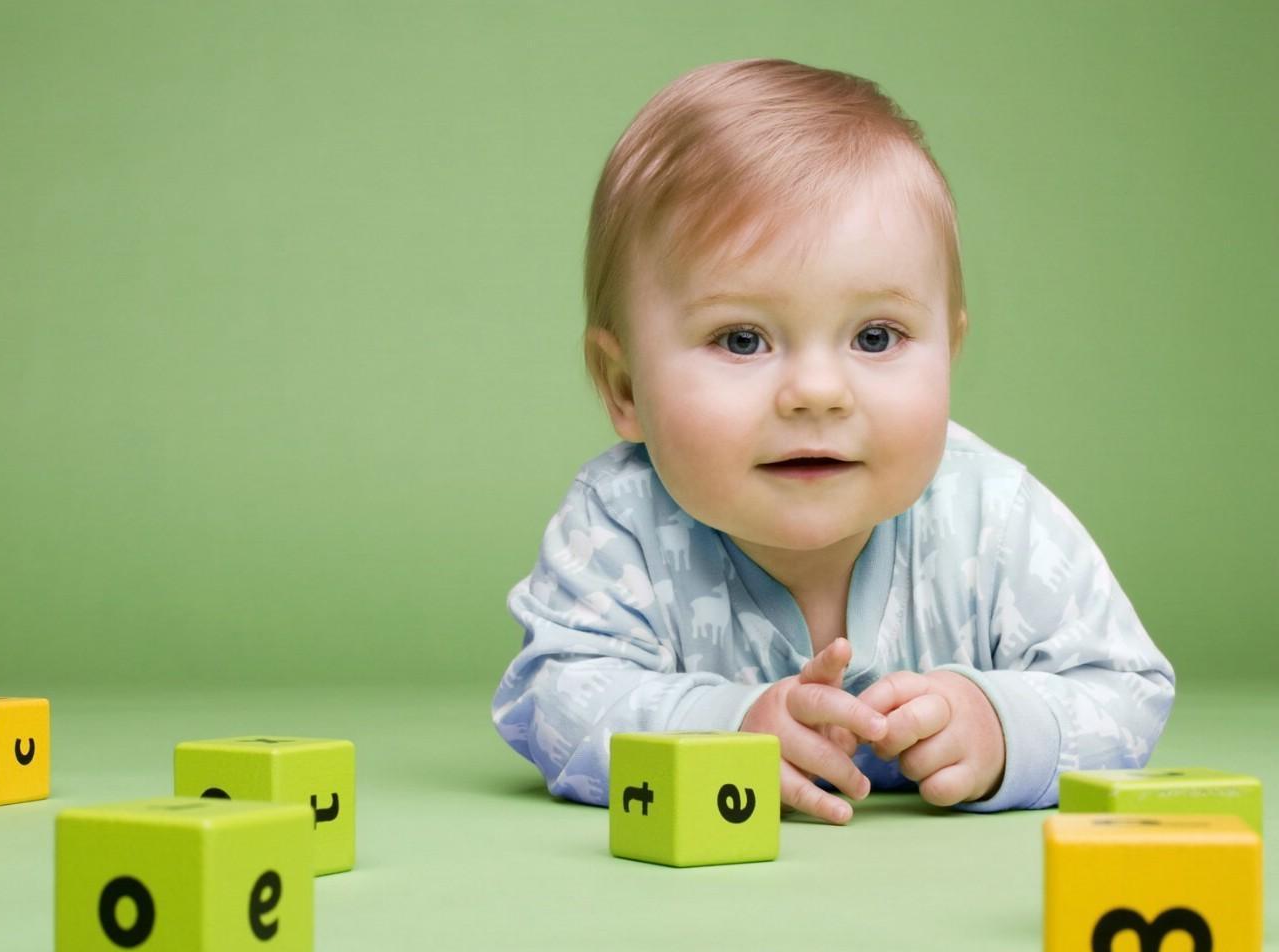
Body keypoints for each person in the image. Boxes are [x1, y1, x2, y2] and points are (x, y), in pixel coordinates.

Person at [491, 58, 1174, 825]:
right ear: (623, 388)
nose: (817, 392)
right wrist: (729, 729)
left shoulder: (992, 516)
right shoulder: (624, 525)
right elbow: (552, 697)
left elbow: (1126, 688)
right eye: (742, 339)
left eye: (876, 336)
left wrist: (1004, 723)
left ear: (947, 352)